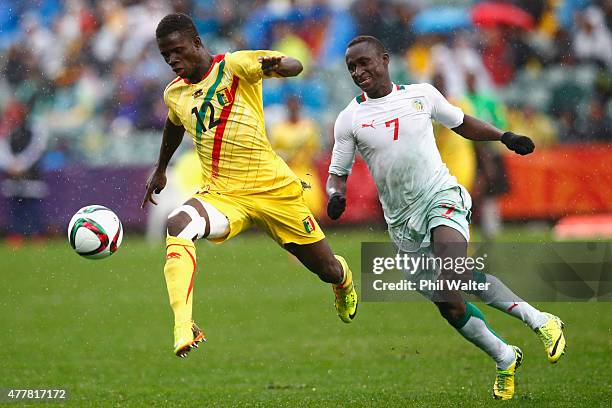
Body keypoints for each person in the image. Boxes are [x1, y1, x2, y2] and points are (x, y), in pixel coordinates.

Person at [327, 36, 566, 400]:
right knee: (449, 302)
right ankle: (505, 357)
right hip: (402, 223)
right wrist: (336, 196)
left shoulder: (421, 95)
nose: (359, 72)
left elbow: (462, 122)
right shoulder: (349, 119)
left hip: (441, 197)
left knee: (453, 271)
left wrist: (504, 136)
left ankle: (541, 321)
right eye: (352, 68)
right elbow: (337, 173)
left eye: (364, 63)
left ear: (385, 59)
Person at [141, 13, 357, 358]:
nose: (172, 61)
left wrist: (281, 64)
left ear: (197, 42)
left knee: (326, 269)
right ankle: (184, 325)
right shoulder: (175, 94)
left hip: (273, 191)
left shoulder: (235, 66)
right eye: (166, 56)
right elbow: (174, 123)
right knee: (178, 224)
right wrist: (161, 168)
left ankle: (343, 279)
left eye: (178, 51)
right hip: (224, 196)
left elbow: (294, 65)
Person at [269, 95, 325, 217]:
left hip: (305, 170)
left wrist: (308, 156)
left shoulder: (308, 126)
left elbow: (315, 151)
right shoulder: (278, 129)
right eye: (291, 106)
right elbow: (272, 153)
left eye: (295, 106)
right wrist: (283, 156)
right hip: (285, 171)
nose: (293, 109)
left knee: (311, 200)